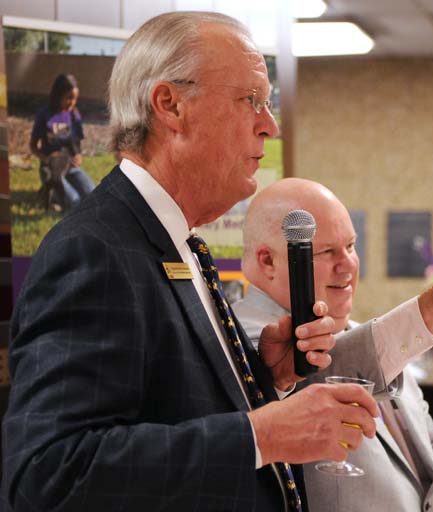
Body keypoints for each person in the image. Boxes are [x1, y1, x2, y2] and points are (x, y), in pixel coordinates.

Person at [3, 12, 382, 512]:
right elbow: (48, 474)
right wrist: (261, 435)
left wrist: (264, 376)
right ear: (170, 105)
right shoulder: (95, 249)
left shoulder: (176, 241)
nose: (269, 125)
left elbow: (170, 403)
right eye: (250, 100)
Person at [233, 177, 433, 512]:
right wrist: (432, 309)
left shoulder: (371, 337)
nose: (347, 265)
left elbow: (429, 443)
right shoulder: (243, 338)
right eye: (327, 251)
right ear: (267, 261)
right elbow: (312, 375)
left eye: (351, 247)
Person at [29, 73, 95, 211]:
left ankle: (52, 191)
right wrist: (46, 158)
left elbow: (76, 142)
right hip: (52, 169)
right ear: (58, 95)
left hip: (70, 167)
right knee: (75, 202)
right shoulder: (44, 115)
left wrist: (78, 155)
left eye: (75, 98)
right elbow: (33, 146)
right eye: (68, 98)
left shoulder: (74, 114)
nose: (72, 102)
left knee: (92, 196)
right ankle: (50, 192)